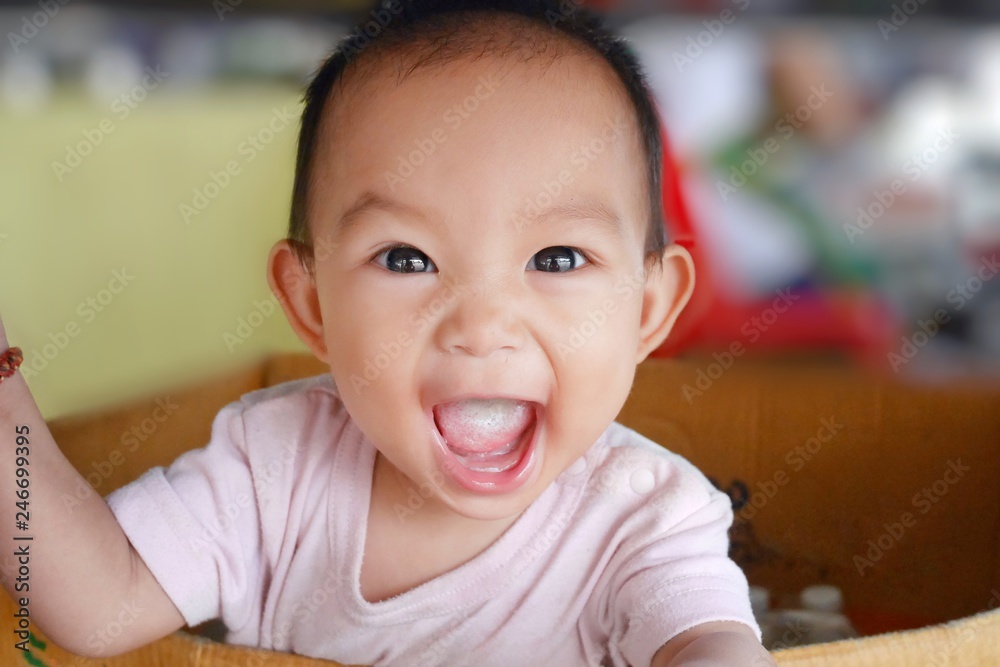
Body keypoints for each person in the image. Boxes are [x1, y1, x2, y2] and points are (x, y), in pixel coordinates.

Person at [0, 0, 775, 665]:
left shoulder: (646, 516)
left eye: (557, 257)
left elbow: (710, 642)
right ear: (311, 306)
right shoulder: (273, 471)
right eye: (407, 258)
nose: (481, 326)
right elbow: (97, 603)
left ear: (647, 308)